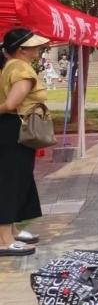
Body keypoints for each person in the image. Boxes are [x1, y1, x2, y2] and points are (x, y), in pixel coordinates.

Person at [0, 29, 50, 257]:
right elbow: (11, 104)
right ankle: (4, 240)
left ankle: (10, 231)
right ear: (21, 49)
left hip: (11, 128)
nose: (38, 48)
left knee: (16, 178)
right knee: (11, 181)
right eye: (33, 45)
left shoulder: (10, 66)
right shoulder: (21, 68)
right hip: (14, 129)